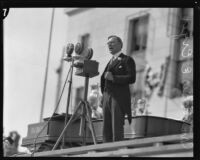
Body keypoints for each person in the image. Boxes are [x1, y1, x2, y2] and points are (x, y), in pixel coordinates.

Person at [100, 35, 136, 142]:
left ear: (120, 44)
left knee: (117, 128)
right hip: (107, 97)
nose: (109, 45)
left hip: (118, 97)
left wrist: (114, 78)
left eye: (112, 42)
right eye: (108, 43)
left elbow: (131, 78)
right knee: (106, 129)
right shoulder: (109, 62)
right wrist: (103, 96)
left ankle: (117, 152)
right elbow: (104, 80)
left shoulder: (127, 60)